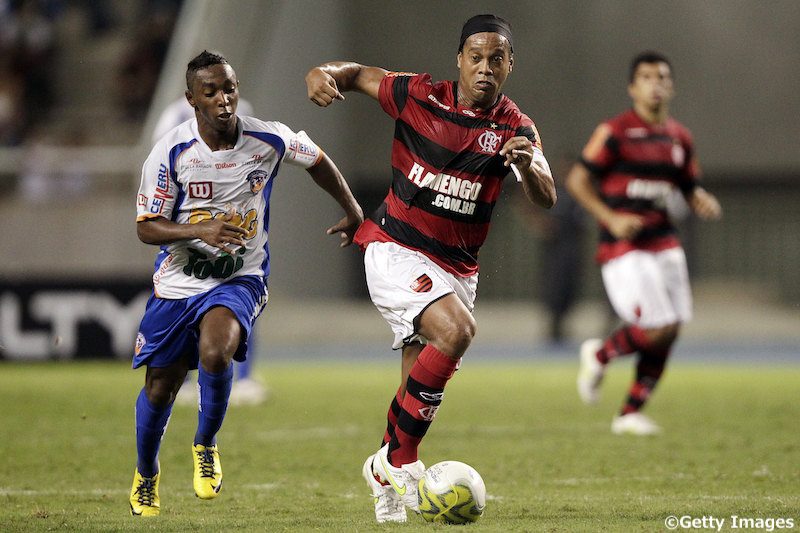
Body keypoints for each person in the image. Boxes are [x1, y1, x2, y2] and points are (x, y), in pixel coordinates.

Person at [305, 14, 556, 523]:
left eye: (497, 60)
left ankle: (384, 481)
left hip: (457, 269)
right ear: (459, 60)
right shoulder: (419, 95)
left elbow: (546, 196)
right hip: (394, 247)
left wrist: (527, 164)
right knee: (458, 332)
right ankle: (399, 461)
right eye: (476, 58)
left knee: (413, 383)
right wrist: (322, 71)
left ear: (510, 66)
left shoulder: (515, 128)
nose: (485, 68)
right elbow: (355, 74)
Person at [129, 50, 363, 516]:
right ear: (192, 98)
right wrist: (200, 229)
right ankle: (146, 474)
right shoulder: (171, 152)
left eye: (229, 88)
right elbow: (146, 226)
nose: (223, 99)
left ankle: (206, 446)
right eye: (211, 91)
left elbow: (317, 159)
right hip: (178, 283)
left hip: (240, 277)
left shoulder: (267, 138)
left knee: (216, 349)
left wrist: (354, 209)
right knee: (161, 387)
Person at [566, 51, 722, 436]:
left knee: (672, 327)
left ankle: (629, 413)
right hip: (624, 247)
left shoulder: (679, 138)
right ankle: (599, 355)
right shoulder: (614, 133)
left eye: (662, 77)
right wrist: (611, 217)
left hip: (665, 242)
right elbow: (576, 182)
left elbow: (689, 185)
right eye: (647, 77)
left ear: (671, 86)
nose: (655, 84)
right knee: (656, 325)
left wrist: (699, 197)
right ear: (633, 87)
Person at [152, 96, 269, 407]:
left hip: (231, 217)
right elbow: (159, 167)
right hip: (191, 223)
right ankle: (185, 378)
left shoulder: (243, 109)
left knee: (242, 297)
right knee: (184, 302)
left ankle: (243, 378)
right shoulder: (172, 115)